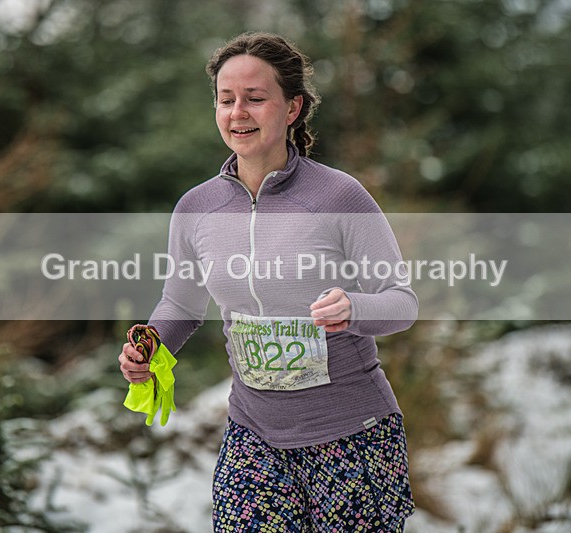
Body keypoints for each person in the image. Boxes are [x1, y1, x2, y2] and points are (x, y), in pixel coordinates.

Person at [119, 31, 418, 532]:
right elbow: (182, 303)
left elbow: (402, 303)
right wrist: (148, 348)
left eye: (256, 99)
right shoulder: (196, 208)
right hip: (253, 432)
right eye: (226, 99)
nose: (238, 113)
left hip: (350, 433)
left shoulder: (339, 196)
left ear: (293, 108)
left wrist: (354, 308)